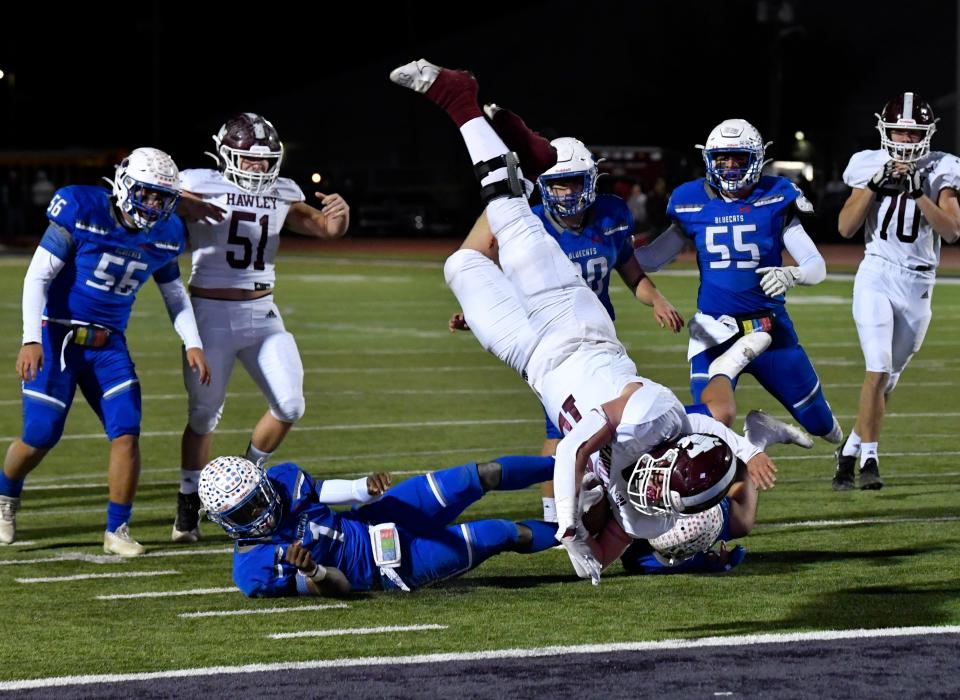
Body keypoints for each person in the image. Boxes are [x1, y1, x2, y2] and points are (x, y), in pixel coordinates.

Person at [389, 58, 800, 584]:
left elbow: (612, 542)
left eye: (669, 497)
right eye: (669, 483)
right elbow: (577, 448)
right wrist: (567, 529)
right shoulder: (653, 416)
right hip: (574, 328)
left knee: (462, 265)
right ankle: (458, 98)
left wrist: (590, 554)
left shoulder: (651, 508)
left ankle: (530, 167)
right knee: (505, 208)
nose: (657, 489)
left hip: (534, 361)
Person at [458, 104, 683, 523]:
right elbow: (493, 273)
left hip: (600, 341)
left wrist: (658, 300)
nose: (564, 195)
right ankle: (555, 513)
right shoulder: (532, 224)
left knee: (610, 427)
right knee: (561, 431)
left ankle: (608, 505)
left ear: (591, 182)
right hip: (551, 341)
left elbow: (632, 274)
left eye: (573, 184)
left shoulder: (613, 214)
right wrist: (475, 310)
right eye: (556, 186)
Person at [0, 148, 211, 555]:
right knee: (40, 435)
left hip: (109, 343)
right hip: (57, 337)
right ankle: (6, 497)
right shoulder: (82, 209)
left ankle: (118, 530)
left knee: (127, 431)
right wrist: (30, 338)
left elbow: (173, 293)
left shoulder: (165, 233)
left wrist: (193, 342)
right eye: (147, 194)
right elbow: (37, 276)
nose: (155, 205)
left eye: (162, 197)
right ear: (125, 186)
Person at [171, 113, 351, 544]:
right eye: (248, 160)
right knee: (203, 414)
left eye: (266, 160)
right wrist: (181, 202)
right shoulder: (198, 180)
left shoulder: (283, 191)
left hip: (263, 312)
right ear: (225, 155)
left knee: (290, 404)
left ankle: (247, 476)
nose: (258, 168)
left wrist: (339, 216)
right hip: (210, 314)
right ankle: (187, 505)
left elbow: (325, 228)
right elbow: (154, 198)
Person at [633, 118, 842, 447]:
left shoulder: (776, 196)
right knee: (708, 423)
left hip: (770, 329)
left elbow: (816, 266)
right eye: (723, 158)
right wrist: (616, 249)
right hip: (713, 331)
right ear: (710, 160)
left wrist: (792, 274)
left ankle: (771, 429)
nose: (730, 166)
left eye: (739, 157)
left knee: (821, 425)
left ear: (756, 159)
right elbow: (652, 258)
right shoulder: (691, 201)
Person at [198, 454, 559, 596]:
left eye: (259, 498)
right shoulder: (253, 569)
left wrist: (362, 489)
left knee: (480, 475)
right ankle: (577, 533)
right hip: (385, 565)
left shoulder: (282, 480)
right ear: (224, 522)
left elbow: (321, 491)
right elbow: (341, 589)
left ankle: (568, 461)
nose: (260, 511)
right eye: (245, 512)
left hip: (377, 517)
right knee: (503, 533)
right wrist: (314, 570)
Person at [833, 92, 960, 490]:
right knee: (878, 368)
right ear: (885, 131)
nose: (905, 139)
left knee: (886, 382)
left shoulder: (943, 168)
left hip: (919, 285)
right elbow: (845, 228)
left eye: (913, 132)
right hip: (876, 273)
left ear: (926, 133)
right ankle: (870, 460)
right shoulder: (866, 163)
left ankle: (848, 453)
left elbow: (952, 231)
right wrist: (873, 184)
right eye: (899, 131)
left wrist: (920, 191)